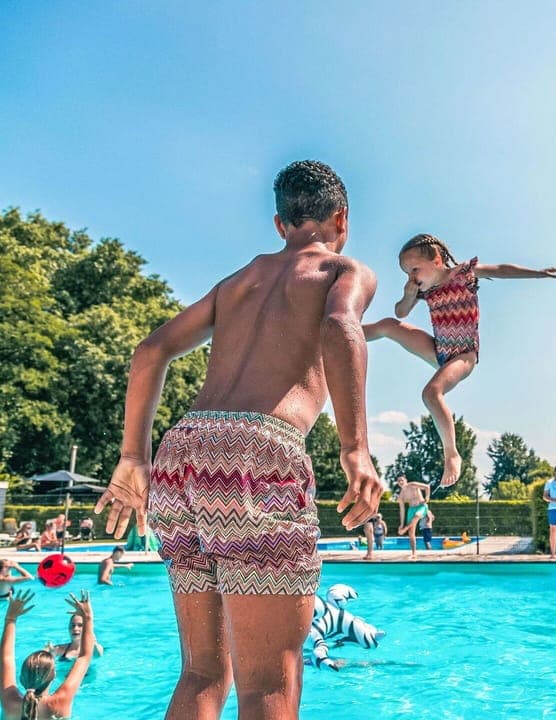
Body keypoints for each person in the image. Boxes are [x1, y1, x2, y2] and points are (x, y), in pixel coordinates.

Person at [95, 160, 382, 720]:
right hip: (259, 450)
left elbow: (150, 351)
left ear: (280, 223)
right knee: (269, 687)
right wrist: (355, 447)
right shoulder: (343, 270)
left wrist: (133, 456)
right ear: (342, 218)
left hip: (183, 450)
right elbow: (339, 328)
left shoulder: (239, 281)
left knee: (203, 672)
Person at [364, 235, 556, 487]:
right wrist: (408, 293)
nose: (411, 277)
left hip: (464, 354)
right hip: (438, 350)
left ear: (437, 260)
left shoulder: (465, 274)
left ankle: (452, 454)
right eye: (406, 273)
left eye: (413, 270)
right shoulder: (423, 288)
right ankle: (343, 331)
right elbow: (401, 312)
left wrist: (537, 273)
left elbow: (501, 270)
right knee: (389, 326)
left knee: (431, 394)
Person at [1, 589, 96, 720]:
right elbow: (85, 657)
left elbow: (7, 658)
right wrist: (88, 617)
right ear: (54, 675)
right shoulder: (60, 702)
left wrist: (10, 618)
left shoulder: (9, 702)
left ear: (22, 678)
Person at [396, 476, 431, 559]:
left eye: (402, 480)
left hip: (421, 506)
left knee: (417, 516)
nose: (400, 481)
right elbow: (402, 511)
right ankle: (414, 553)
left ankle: (405, 529)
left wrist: (427, 497)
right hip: (411, 509)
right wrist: (401, 524)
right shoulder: (401, 496)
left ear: (406, 481)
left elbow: (427, 487)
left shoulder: (412, 485)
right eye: (399, 481)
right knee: (411, 533)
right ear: (398, 483)